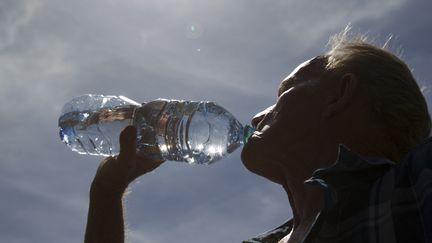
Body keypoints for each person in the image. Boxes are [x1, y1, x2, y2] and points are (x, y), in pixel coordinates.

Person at [84, 29, 432, 243]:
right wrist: (106, 193)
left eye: (286, 91)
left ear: (339, 95)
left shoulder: (410, 191)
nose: (257, 116)